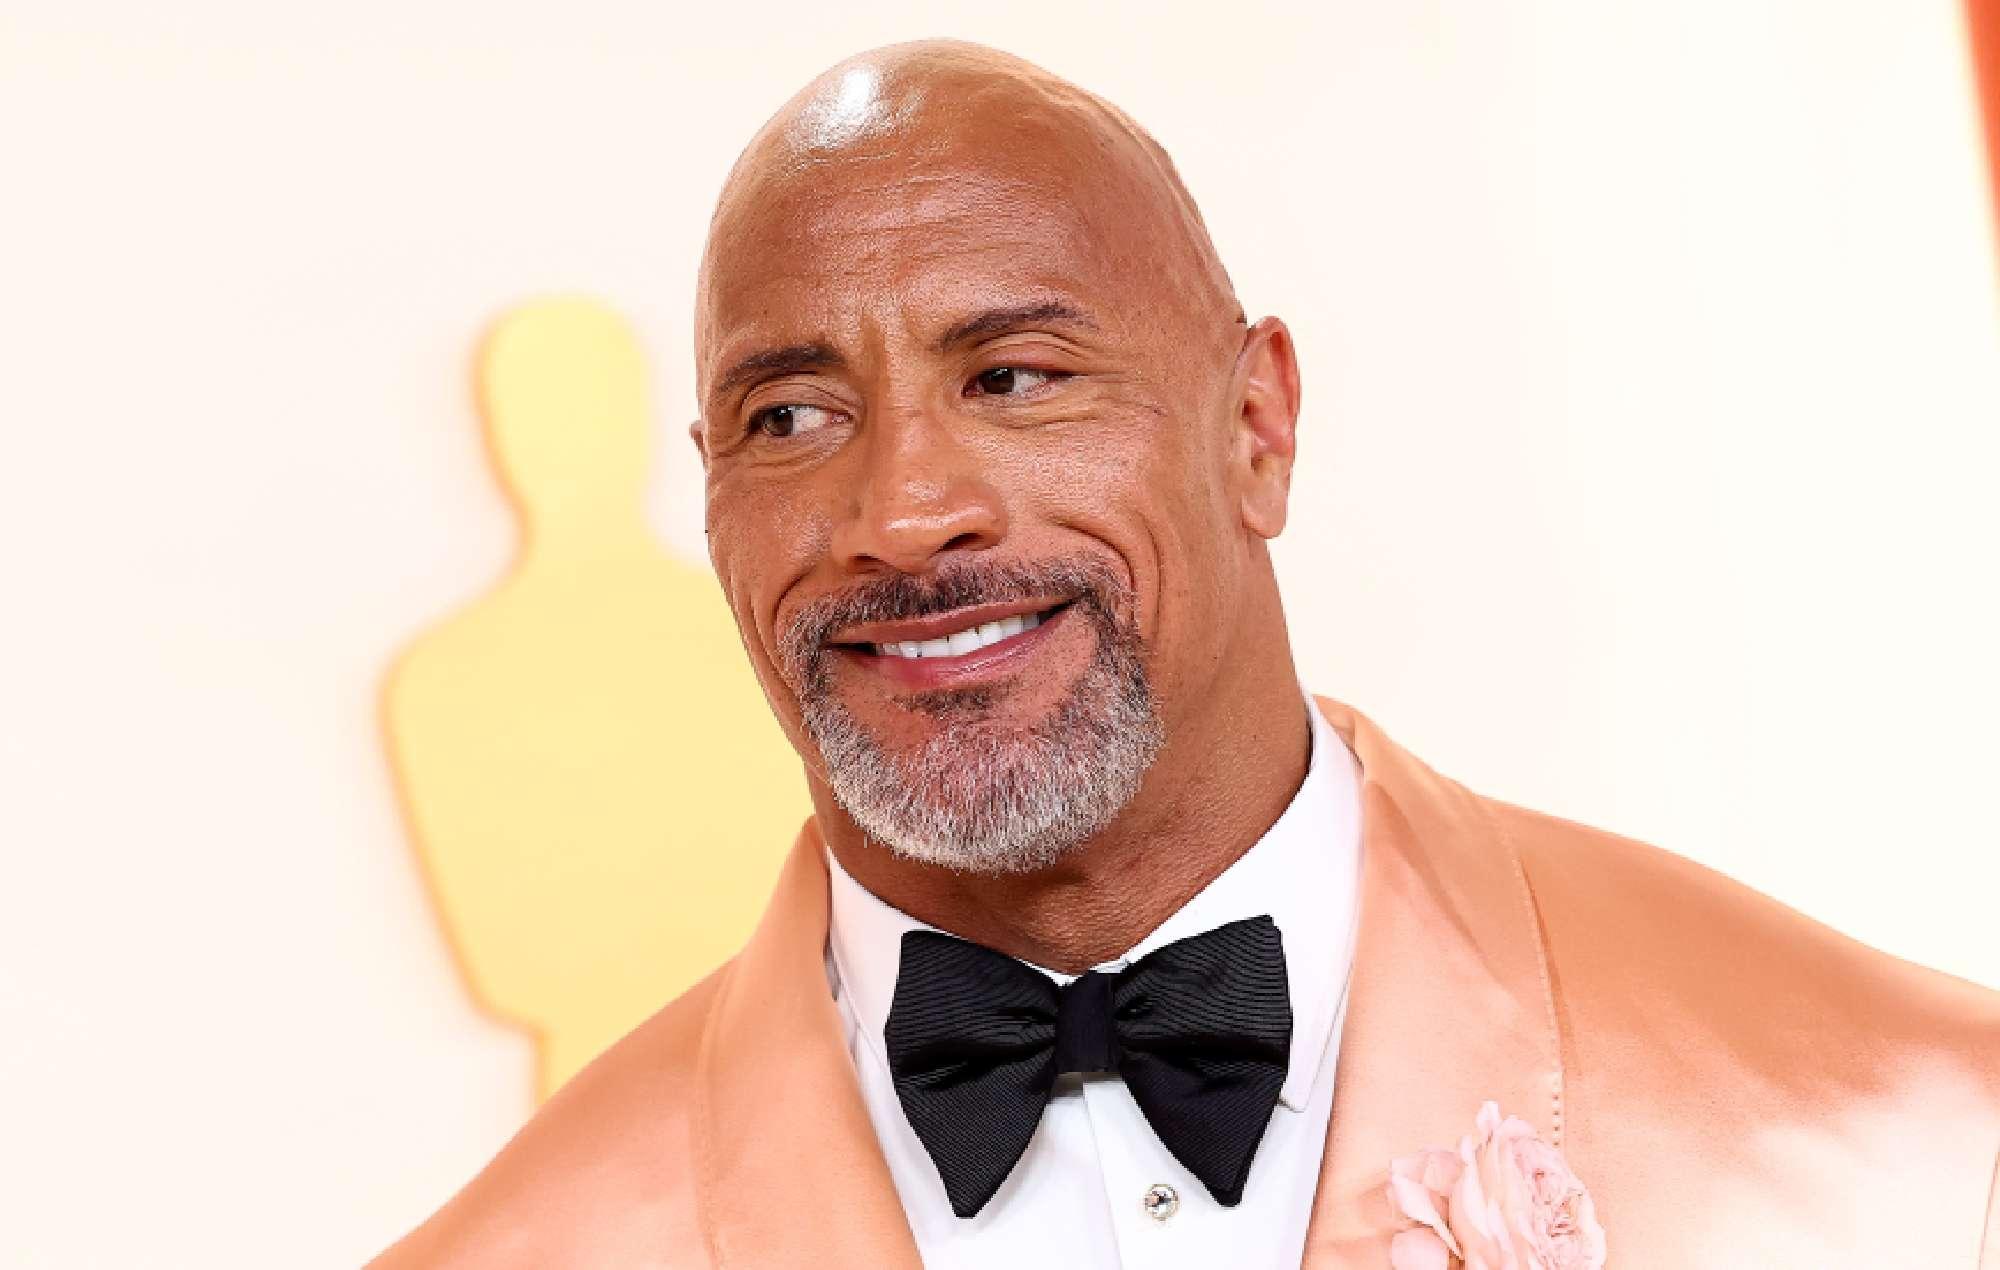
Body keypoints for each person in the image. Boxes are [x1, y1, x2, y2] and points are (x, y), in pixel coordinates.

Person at [371, 40, 2000, 1268]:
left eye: (1013, 376)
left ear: (1258, 427)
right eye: (790, 416)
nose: (904, 511)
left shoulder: (1923, 1144)